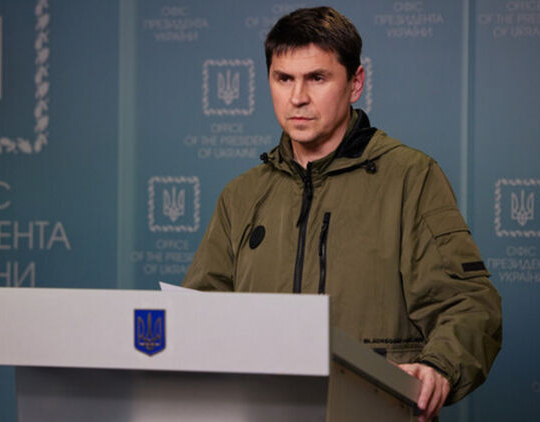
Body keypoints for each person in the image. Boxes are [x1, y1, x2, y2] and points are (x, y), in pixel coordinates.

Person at [182, 6, 501, 421]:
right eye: (284, 79)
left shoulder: (410, 178)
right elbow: (198, 318)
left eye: (317, 78)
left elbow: (470, 303)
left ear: (356, 83)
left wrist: (439, 366)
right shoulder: (241, 196)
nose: (297, 97)